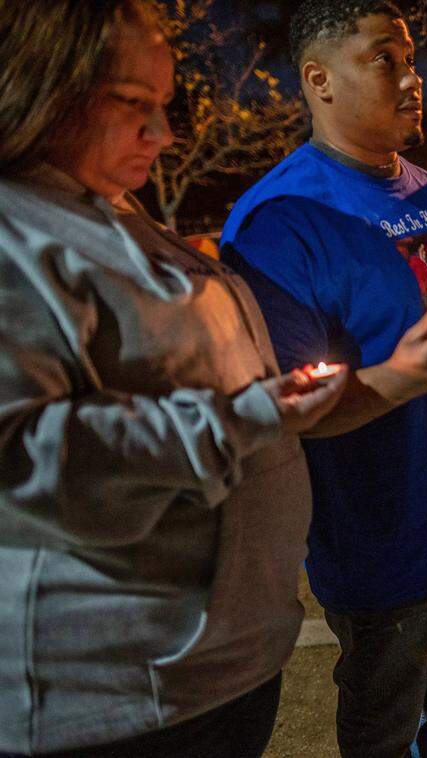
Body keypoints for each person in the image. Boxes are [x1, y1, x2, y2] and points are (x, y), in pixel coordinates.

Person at [0, 2, 348, 756]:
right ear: (39, 89)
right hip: (113, 704)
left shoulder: (109, 212)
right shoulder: (14, 236)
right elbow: (15, 458)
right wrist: (240, 418)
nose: (163, 136)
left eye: (164, 106)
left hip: (214, 672)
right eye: (134, 106)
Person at [219, 2, 427, 756]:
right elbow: (285, 413)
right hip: (383, 551)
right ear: (319, 80)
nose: (413, 80)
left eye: (410, 58)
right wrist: (402, 380)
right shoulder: (279, 223)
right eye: (385, 59)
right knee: (385, 727)